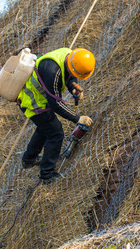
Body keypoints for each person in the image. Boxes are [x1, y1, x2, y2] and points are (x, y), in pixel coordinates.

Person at [17, 47, 95, 185]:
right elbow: (56, 104)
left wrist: (73, 87)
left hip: (40, 97)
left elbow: (69, 75)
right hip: (32, 102)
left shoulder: (69, 55)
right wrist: (77, 118)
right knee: (56, 132)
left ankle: (29, 159)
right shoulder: (51, 71)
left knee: (44, 128)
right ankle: (47, 175)